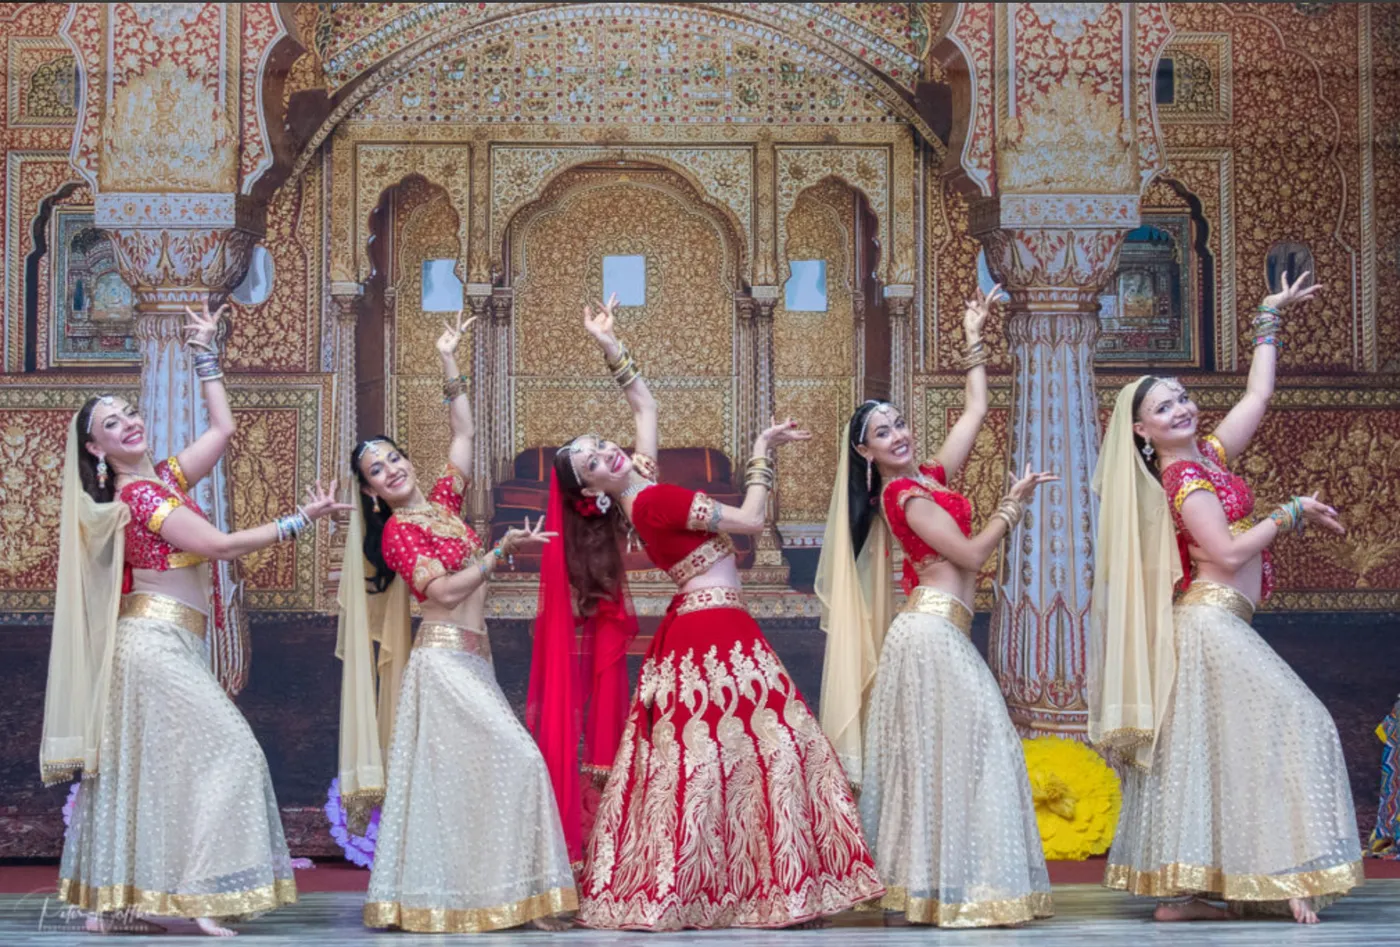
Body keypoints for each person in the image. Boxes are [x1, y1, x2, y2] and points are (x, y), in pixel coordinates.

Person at [530, 295, 885, 930]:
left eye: (602, 445)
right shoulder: (655, 499)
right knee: (764, 750)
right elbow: (750, 520)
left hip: (700, 623)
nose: (608, 454)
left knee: (715, 760)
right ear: (590, 491)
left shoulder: (637, 489)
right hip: (715, 625)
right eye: (593, 462)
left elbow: (645, 406)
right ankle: (765, 886)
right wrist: (761, 451)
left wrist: (610, 345)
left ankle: (723, 886)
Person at [44, 302, 349, 937]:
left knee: (160, 774)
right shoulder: (139, 495)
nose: (128, 422)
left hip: (172, 642)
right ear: (95, 449)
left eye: (129, 412)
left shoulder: (163, 478)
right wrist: (300, 520)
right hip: (151, 643)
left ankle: (128, 904)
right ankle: (195, 893)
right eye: (110, 423)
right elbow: (218, 545)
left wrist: (205, 352)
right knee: (235, 753)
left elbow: (223, 428)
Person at [1091, 271, 1364, 924]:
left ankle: (1195, 893)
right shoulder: (1183, 478)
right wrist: (1289, 512)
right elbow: (1228, 552)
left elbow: (1257, 395)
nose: (1182, 409)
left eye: (1183, 398)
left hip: (1222, 625)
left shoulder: (1208, 458)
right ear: (1142, 431)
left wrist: (1268, 318)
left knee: (1217, 755)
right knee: (1301, 723)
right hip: (1209, 624)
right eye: (1164, 408)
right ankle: (1281, 874)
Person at [817, 285, 1056, 927]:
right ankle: (927, 890)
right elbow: (972, 556)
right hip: (929, 634)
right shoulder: (904, 498)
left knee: (948, 757)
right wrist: (1012, 506)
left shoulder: (926, 478)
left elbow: (975, 410)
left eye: (898, 423)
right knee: (973, 749)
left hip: (940, 632)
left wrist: (974, 335)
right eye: (881, 432)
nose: (897, 434)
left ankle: (923, 891)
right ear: (864, 452)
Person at [343, 312, 575, 933]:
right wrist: (498, 554)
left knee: (477, 780)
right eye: (377, 471)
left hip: (473, 656)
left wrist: (449, 358)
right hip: (443, 662)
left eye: (394, 458)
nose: (392, 469)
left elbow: (464, 431)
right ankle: (519, 898)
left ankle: (502, 898)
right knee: (519, 763)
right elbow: (442, 590)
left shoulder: (444, 505)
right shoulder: (398, 532)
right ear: (371, 492)